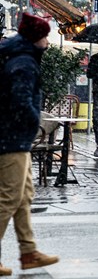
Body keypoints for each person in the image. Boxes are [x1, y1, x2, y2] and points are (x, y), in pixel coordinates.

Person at [0, 14, 60, 274]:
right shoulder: (24, 62)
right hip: (11, 138)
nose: (47, 41)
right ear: (36, 39)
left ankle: (29, 252)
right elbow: (21, 99)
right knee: (10, 197)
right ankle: (27, 252)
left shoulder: (21, 57)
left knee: (24, 196)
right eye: (45, 36)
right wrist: (35, 121)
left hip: (15, 137)